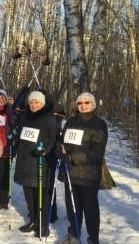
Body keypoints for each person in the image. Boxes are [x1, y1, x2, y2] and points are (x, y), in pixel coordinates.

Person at [56, 93, 108, 244]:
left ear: (93, 105)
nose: (83, 105)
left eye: (87, 102)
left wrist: (72, 157)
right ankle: (73, 235)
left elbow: (96, 152)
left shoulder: (99, 124)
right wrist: (59, 150)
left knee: (90, 210)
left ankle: (93, 239)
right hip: (69, 172)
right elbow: (62, 141)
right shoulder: (71, 121)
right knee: (72, 207)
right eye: (80, 103)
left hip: (88, 175)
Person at [14, 91, 58, 238]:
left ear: (43, 103)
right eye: (31, 102)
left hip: (41, 164)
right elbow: (21, 134)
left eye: (37, 102)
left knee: (42, 197)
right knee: (29, 196)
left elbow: (53, 141)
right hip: (25, 162)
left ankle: (43, 224)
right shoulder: (25, 117)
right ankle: (33, 220)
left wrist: (45, 150)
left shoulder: (50, 119)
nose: (33, 105)